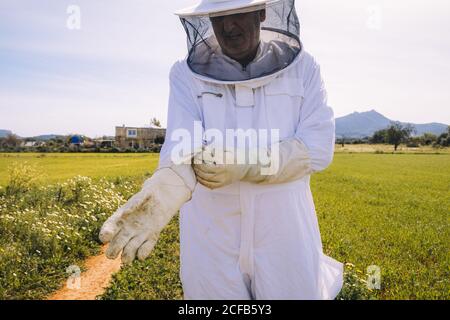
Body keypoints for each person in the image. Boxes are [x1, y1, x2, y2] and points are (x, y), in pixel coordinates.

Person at [99, 0, 343, 300]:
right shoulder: (185, 74)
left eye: (238, 13)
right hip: (210, 233)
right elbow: (182, 144)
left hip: (285, 228)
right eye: (219, 17)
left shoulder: (303, 68)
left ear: (262, 12)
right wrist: (167, 188)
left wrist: (248, 164)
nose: (228, 26)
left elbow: (317, 148)